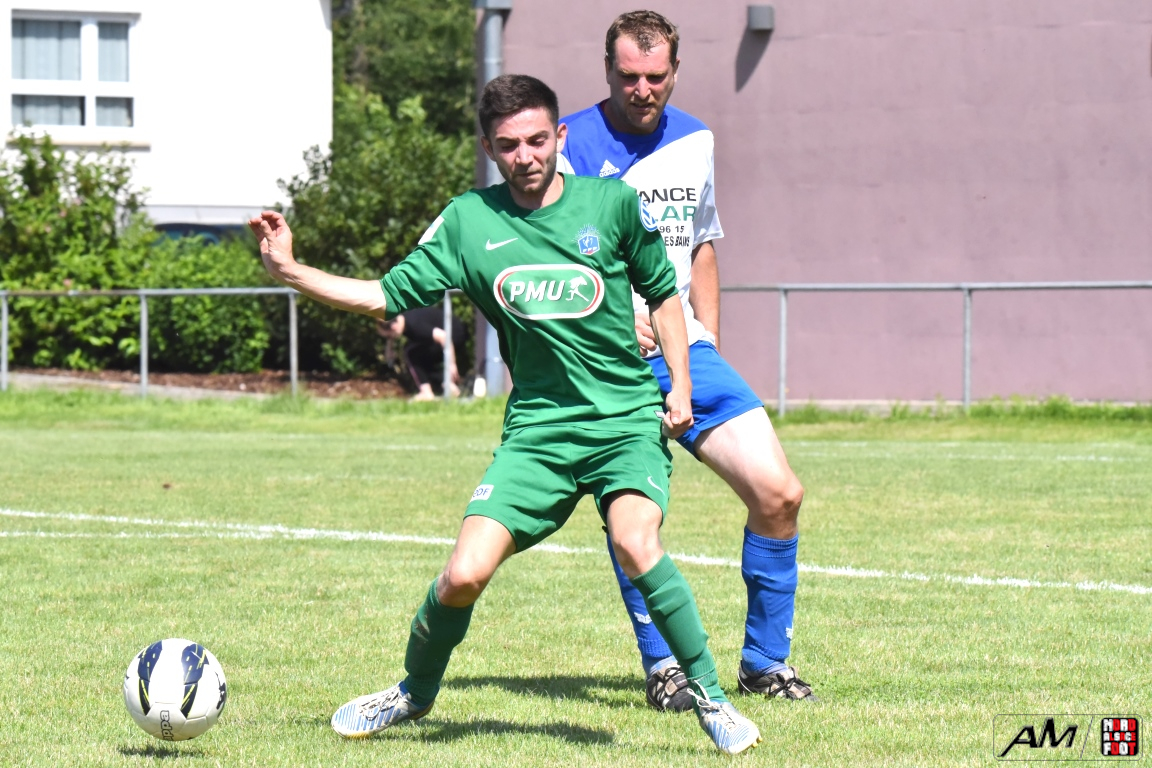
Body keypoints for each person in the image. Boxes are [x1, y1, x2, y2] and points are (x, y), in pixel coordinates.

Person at [248, 74, 762, 755]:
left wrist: (681, 388)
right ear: (489, 148)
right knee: (463, 575)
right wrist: (291, 271)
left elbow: (665, 296)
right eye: (510, 145)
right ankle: (412, 693)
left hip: (622, 422)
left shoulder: (611, 204)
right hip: (538, 433)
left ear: (561, 137)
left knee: (637, 544)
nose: (527, 156)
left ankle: (713, 700)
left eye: (539, 141)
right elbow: (383, 295)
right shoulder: (469, 221)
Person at [557, 10, 815, 711]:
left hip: (688, 351)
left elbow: (700, 246)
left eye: (655, 76)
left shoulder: (696, 139)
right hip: (605, 361)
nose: (641, 89)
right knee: (633, 519)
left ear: (675, 71)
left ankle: (764, 663)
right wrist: (615, 313)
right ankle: (665, 667)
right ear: (607, 70)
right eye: (628, 76)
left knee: (779, 494)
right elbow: (549, 254)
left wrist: (704, 347)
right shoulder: (568, 145)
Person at [376, 306, 466, 400]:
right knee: (418, 355)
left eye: (389, 337)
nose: (391, 339)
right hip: (447, 334)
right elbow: (391, 335)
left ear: (393, 327)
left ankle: (427, 392)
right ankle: (447, 384)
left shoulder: (414, 324)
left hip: (453, 335)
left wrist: (451, 364)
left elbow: (443, 336)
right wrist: (389, 349)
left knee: (411, 353)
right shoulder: (402, 319)